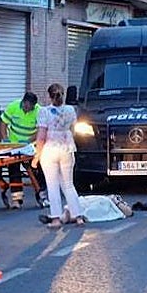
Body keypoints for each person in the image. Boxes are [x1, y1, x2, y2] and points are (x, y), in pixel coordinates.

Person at [31, 83, 84, 228]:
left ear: (49, 96)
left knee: (52, 185)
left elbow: (41, 136)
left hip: (50, 149)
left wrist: (36, 156)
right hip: (67, 148)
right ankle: (78, 216)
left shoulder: (44, 111)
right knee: (68, 184)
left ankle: (55, 218)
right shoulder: (70, 110)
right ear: (63, 95)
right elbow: (73, 130)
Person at [1, 92, 39, 209]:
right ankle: (16, 199)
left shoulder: (39, 111)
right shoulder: (13, 107)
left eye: (29, 107)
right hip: (14, 145)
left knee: (34, 169)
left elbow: (40, 130)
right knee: (14, 170)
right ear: (23, 102)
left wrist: (29, 141)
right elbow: (3, 123)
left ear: (34, 106)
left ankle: (40, 193)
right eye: (25, 105)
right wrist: (5, 139)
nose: (26, 108)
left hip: (29, 145)